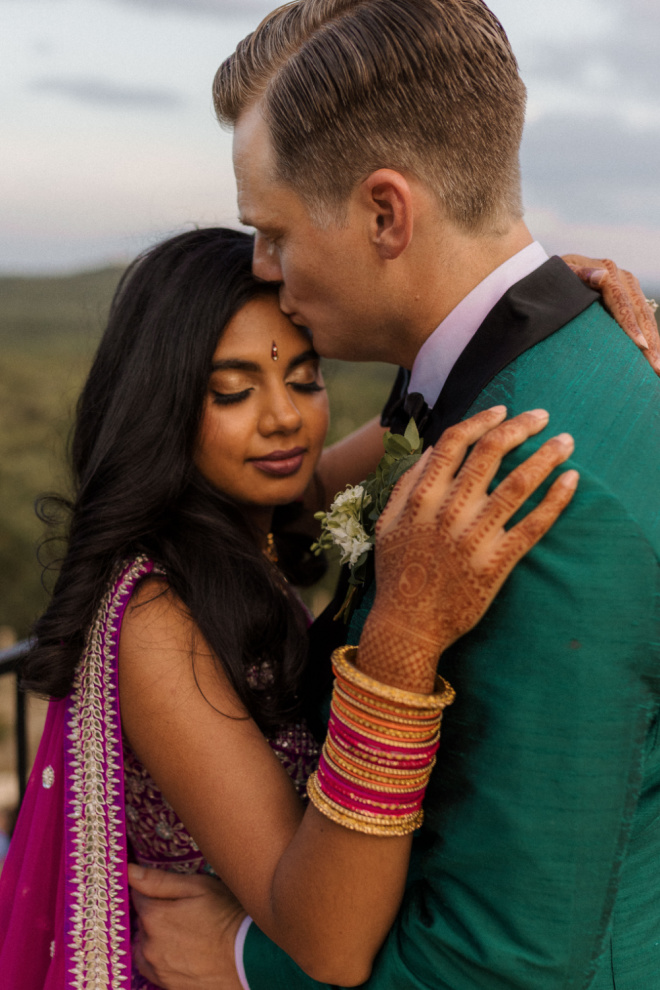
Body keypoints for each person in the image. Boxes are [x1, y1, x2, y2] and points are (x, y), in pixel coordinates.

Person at [128, 2, 660, 989]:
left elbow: (509, 967)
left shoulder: (529, 484)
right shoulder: (513, 392)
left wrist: (247, 964)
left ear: (384, 214)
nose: (263, 267)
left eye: (276, 231)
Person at [0, 225, 584, 990]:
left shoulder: (263, 523)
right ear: (162, 405)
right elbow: (330, 943)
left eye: (305, 380)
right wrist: (404, 639)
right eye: (233, 391)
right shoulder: (157, 616)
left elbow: (410, 419)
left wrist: (534, 315)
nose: (283, 418)